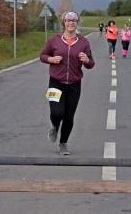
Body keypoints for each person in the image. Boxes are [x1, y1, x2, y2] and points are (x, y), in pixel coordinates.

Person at [40, 11, 95, 155]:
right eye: (68, 20)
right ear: (64, 23)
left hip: (74, 84)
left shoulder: (83, 42)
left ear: (77, 23)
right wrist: (51, 60)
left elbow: (91, 64)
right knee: (57, 112)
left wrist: (86, 60)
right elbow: (43, 56)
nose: (71, 23)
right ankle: (55, 125)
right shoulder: (54, 40)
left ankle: (63, 143)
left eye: (74, 20)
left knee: (69, 117)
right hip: (56, 82)